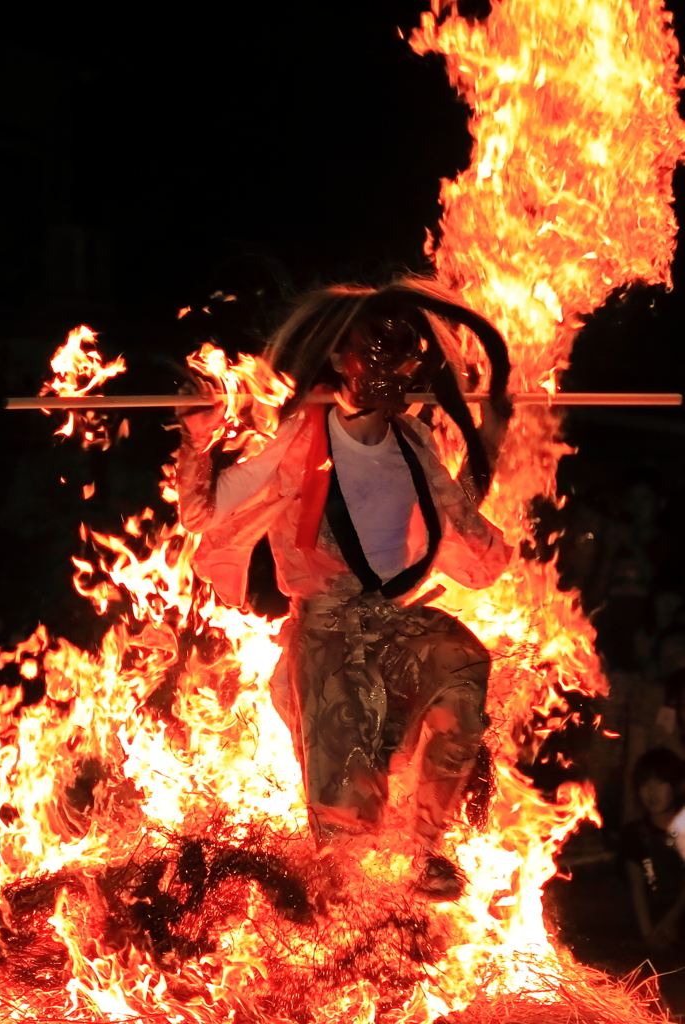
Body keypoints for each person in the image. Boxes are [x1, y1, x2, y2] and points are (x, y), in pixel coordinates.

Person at [176, 281, 513, 899]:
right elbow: (203, 513)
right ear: (341, 360)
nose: (388, 371)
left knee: (464, 661)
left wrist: (490, 437)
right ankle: (339, 932)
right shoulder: (302, 438)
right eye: (373, 355)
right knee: (347, 825)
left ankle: (424, 850)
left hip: (393, 622)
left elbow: (455, 516)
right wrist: (200, 440)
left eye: (401, 358)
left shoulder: (414, 440)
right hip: (328, 633)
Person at [621, 747, 685, 948]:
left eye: (660, 782)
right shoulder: (635, 832)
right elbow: (636, 885)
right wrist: (648, 933)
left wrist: (672, 921)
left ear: (676, 786)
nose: (651, 791)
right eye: (644, 784)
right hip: (653, 918)